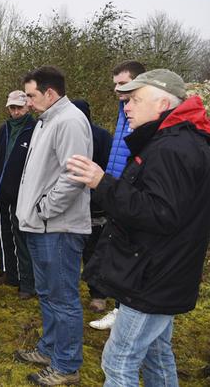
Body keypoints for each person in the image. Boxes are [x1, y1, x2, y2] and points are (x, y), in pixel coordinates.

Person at [67, 69, 210, 387]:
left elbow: (160, 214)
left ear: (163, 102)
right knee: (156, 354)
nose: (127, 107)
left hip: (151, 277)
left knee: (118, 360)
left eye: (135, 99)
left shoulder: (172, 149)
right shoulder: (175, 142)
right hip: (161, 273)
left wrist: (102, 183)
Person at [14, 66, 92, 386]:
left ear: (50, 93)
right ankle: (49, 349)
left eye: (31, 96)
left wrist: (45, 209)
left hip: (58, 228)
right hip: (39, 225)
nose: (27, 102)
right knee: (47, 292)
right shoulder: (47, 121)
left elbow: (74, 175)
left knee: (63, 297)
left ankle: (67, 364)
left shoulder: (70, 121)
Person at [90, 59, 146, 331]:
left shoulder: (143, 113)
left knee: (129, 251)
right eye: (115, 84)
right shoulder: (123, 110)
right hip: (117, 185)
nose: (116, 89)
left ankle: (125, 310)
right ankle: (120, 307)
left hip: (131, 189)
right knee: (116, 248)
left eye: (122, 83)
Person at [0, 90, 36, 299]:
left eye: (19, 107)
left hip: (21, 194)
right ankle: (7, 272)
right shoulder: (4, 128)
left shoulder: (34, 128)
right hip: (0, 191)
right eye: (12, 107)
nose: (15, 112)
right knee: (3, 234)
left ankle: (27, 282)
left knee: (21, 238)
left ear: (27, 107)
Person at [71, 99, 112, 314]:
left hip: (95, 206)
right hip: (69, 204)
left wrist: (100, 195)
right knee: (71, 250)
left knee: (95, 252)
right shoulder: (65, 133)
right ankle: (69, 293)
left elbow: (109, 168)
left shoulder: (102, 137)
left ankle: (98, 294)